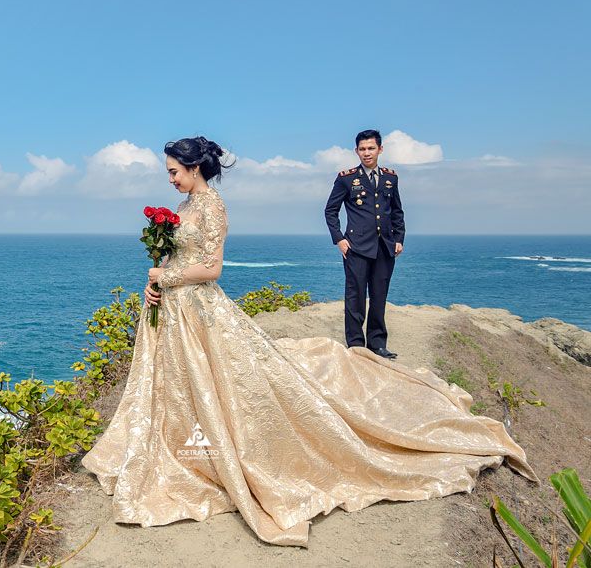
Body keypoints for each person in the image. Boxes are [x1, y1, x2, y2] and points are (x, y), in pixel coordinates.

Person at [80, 135, 536, 548]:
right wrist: (156, 280)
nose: (171, 180)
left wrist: (168, 275)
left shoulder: (212, 206)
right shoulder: (181, 210)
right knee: (177, 387)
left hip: (199, 306)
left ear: (195, 168)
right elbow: (178, 253)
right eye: (168, 174)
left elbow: (213, 269)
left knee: (222, 382)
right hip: (176, 311)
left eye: (174, 172)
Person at [325, 129, 404, 359]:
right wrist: (339, 238)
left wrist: (399, 238)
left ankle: (377, 344)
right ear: (356, 151)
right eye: (362, 149)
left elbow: (397, 211)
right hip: (356, 247)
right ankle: (356, 345)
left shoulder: (391, 178)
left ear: (380, 149)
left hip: (385, 247)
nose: (366, 153)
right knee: (355, 296)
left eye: (371, 148)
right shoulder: (346, 178)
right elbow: (330, 211)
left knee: (379, 296)